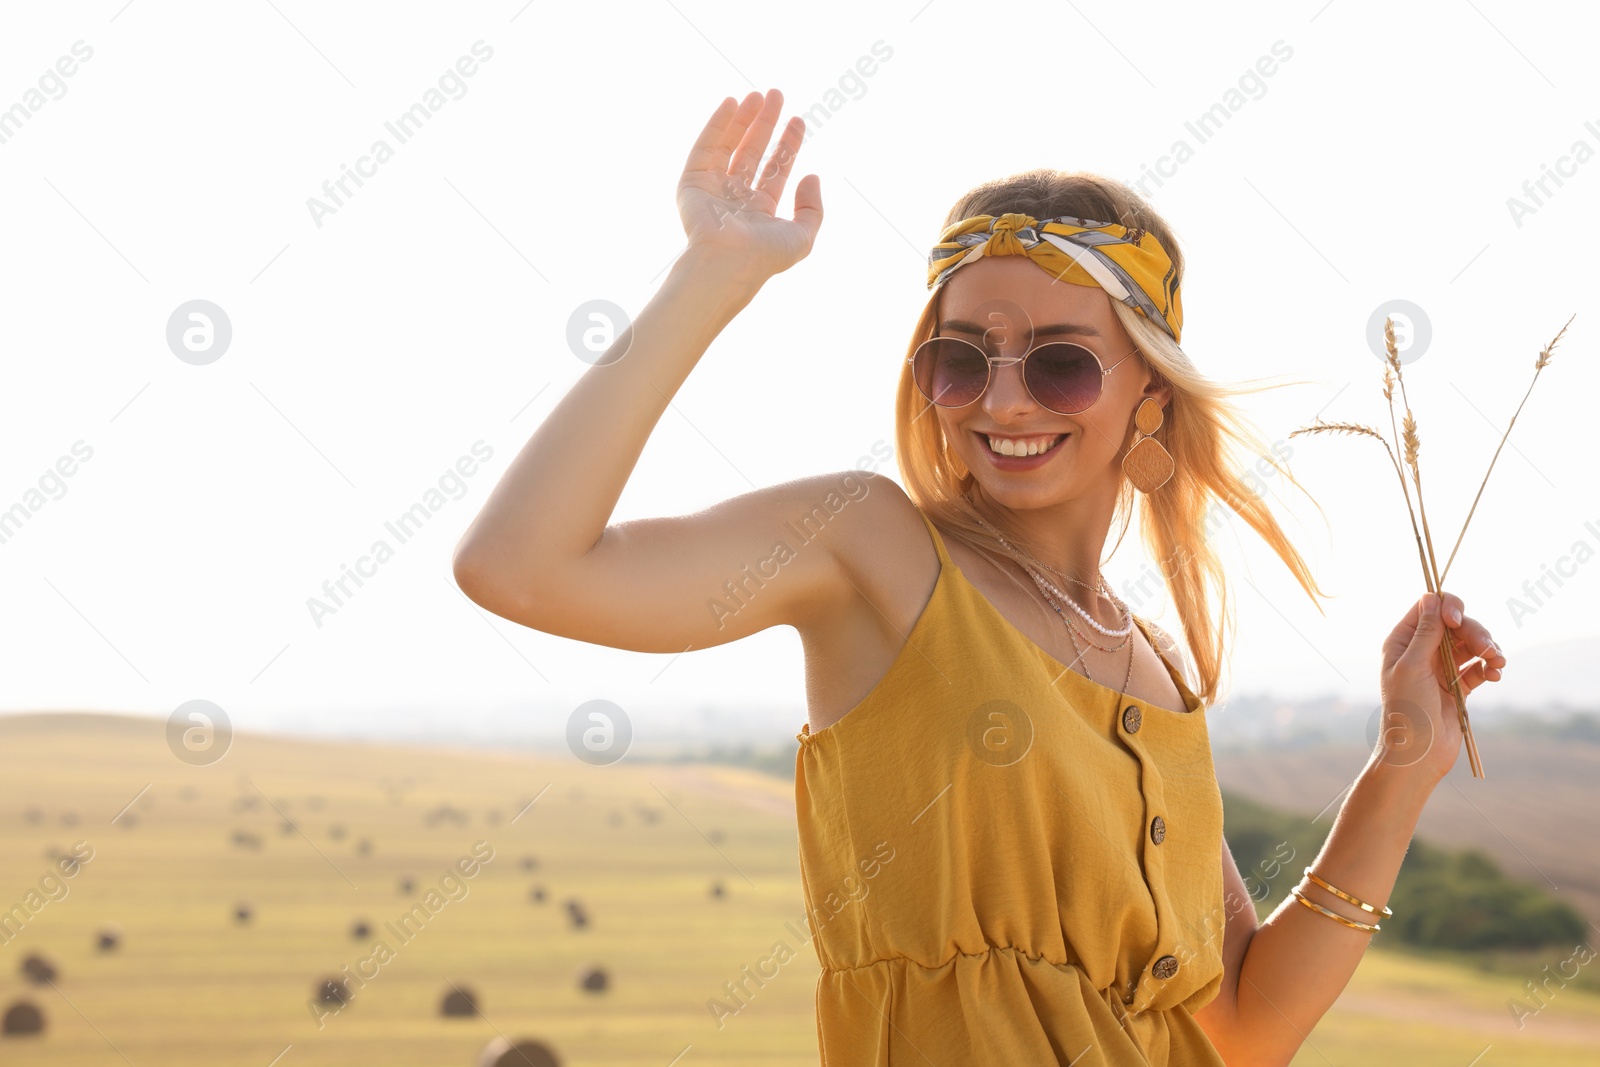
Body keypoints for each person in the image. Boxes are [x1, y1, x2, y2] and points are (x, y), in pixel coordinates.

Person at [452, 89, 1507, 1066]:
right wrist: (714, 271)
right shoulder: (871, 548)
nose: (1001, 400)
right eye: (960, 357)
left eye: (1059, 361)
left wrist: (1401, 765)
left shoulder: (1155, 663)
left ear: (1150, 385)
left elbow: (1244, 1020)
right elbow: (521, 568)